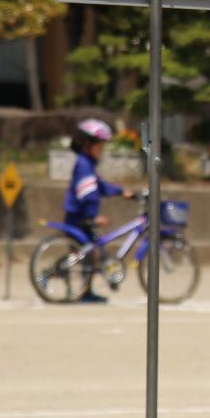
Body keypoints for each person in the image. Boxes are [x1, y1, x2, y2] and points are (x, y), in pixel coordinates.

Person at [62, 118, 126, 305]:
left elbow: (99, 186)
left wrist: (122, 192)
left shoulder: (86, 163)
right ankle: (83, 291)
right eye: (100, 145)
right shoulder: (84, 165)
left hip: (78, 216)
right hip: (80, 217)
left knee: (88, 253)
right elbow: (88, 194)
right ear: (88, 144)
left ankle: (85, 290)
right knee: (83, 254)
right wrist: (93, 217)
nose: (102, 150)